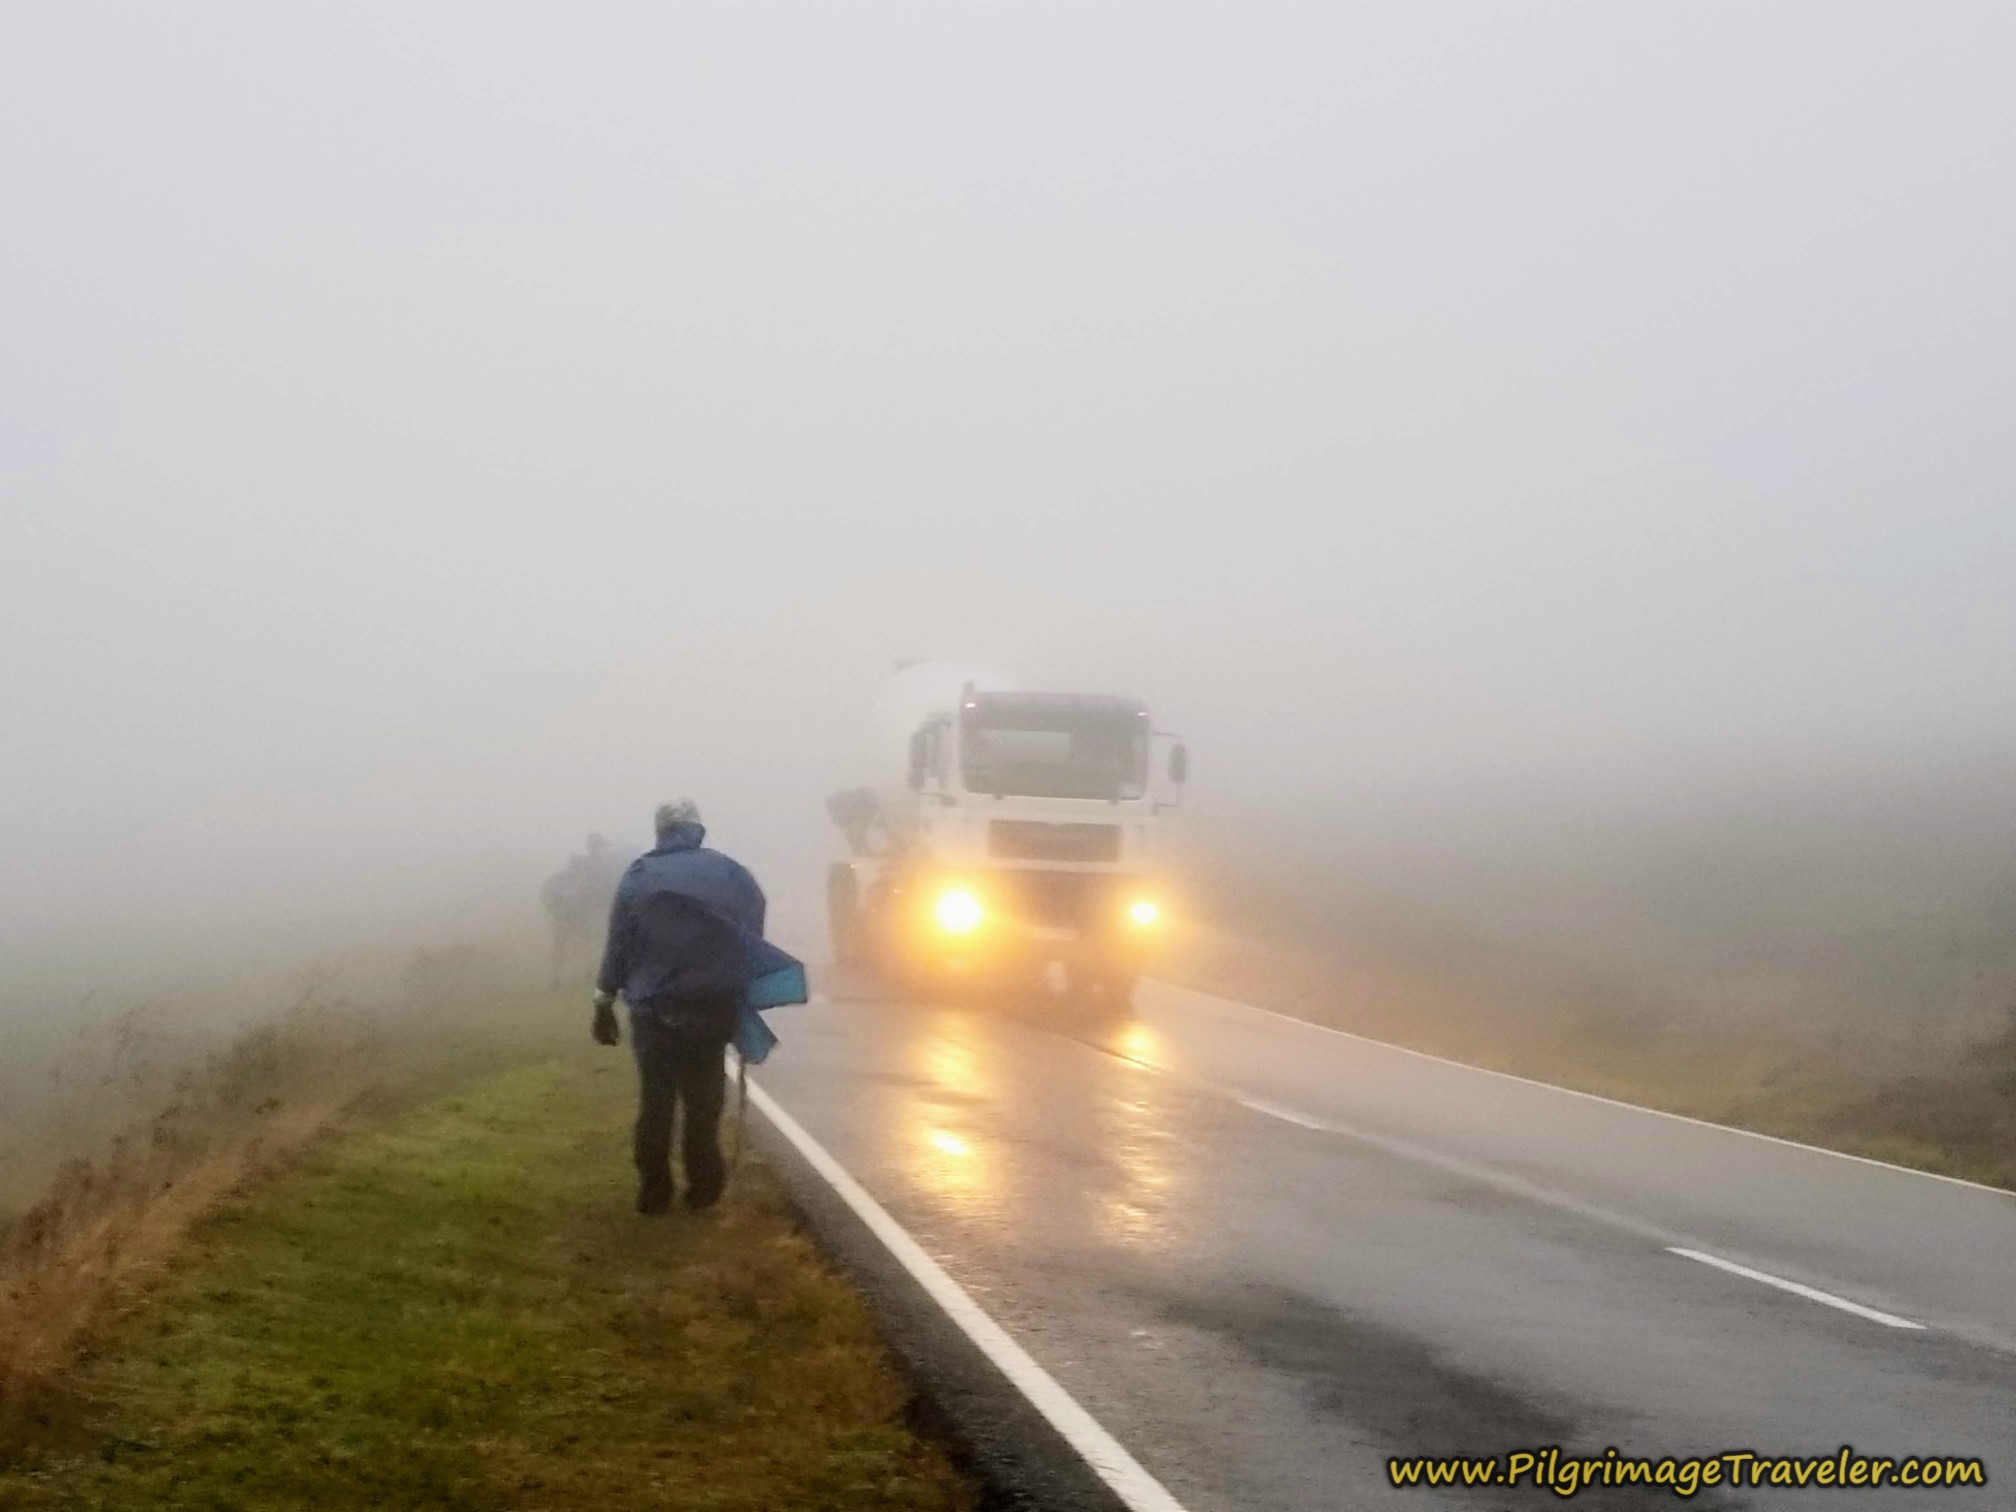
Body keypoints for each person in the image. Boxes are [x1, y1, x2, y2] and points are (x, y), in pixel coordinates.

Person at [592, 800, 769, 1214]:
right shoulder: (730, 872)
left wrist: (604, 998)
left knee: (657, 1100)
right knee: (703, 1100)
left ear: (660, 831)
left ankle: (654, 1192)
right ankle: (705, 1186)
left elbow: (619, 941)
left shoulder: (640, 874)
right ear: (698, 830)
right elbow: (753, 926)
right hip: (713, 1007)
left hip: (654, 1010)